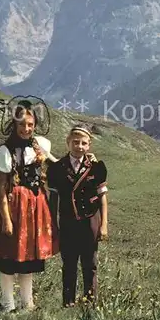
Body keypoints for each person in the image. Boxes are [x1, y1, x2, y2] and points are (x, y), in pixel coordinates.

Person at [0, 96, 59, 312]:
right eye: (22, 124)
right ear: (14, 124)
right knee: (9, 257)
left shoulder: (41, 145)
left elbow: (57, 165)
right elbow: (1, 188)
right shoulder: (5, 152)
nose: (26, 129)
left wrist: (84, 159)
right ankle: (7, 304)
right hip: (16, 206)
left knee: (28, 257)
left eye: (30, 124)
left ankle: (27, 303)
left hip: (37, 206)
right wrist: (7, 219)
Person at [48, 124, 108, 307]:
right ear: (68, 143)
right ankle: (68, 303)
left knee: (90, 264)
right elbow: (53, 200)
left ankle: (90, 302)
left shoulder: (97, 167)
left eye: (83, 143)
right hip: (67, 222)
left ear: (89, 145)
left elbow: (102, 197)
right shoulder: (57, 168)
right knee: (69, 264)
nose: (79, 147)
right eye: (75, 142)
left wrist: (104, 224)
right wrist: (53, 225)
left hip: (90, 221)